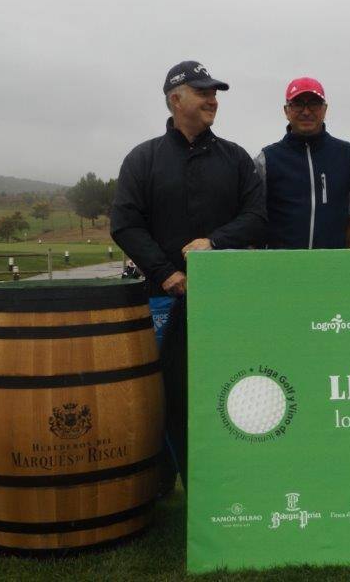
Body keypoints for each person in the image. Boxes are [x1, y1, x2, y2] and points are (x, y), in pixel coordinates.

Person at [110, 60, 266, 488]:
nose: (213, 99)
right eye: (203, 92)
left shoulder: (235, 158)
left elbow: (256, 217)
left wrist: (214, 242)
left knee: (227, 390)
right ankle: (160, 482)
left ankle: (223, 483)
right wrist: (167, 274)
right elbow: (125, 223)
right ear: (176, 99)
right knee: (164, 392)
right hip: (164, 299)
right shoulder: (143, 159)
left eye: (215, 92)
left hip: (224, 303)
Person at [254, 77, 350, 248]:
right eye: (298, 104)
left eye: (314, 104)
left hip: (330, 266)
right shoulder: (266, 159)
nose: (306, 112)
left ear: (325, 109)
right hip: (280, 267)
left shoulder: (349, 156)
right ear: (286, 110)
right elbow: (255, 217)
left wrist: (333, 250)